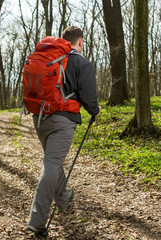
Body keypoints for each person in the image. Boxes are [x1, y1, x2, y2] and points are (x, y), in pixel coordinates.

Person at [26, 26, 101, 236]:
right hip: (63, 119)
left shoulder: (49, 58)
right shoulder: (81, 62)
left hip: (39, 117)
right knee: (51, 163)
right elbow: (88, 96)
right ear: (80, 42)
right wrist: (95, 111)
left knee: (53, 161)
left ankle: (63, 198)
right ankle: (37, 221)